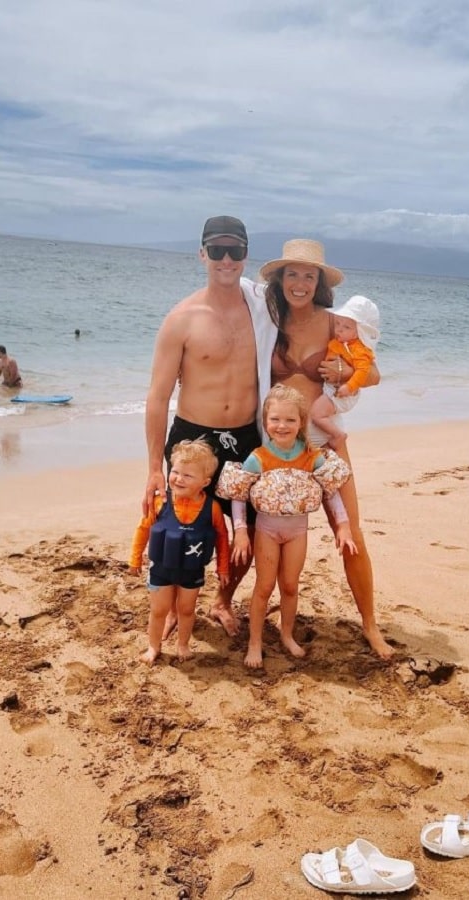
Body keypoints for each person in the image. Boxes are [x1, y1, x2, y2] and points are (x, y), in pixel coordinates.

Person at [260, 238, 393, 659]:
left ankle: (370, 625)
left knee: (350, 531)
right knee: (261, 532)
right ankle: (226, 603)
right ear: (281, 279)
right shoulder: (267, 319)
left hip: (321, 439)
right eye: (293, 274)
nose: (300, 283)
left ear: (319, 282)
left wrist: (342, 370)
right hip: (276, 439)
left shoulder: (335, 322)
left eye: (309, 275)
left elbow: (373, 372)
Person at [143, 215, 274, 639]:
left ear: (245, 255)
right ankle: (173, 613)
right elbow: (158, 397)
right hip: (192, 438)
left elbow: (314, 322)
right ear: (202, 254)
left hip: (246, 437)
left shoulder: (263, 313)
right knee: (181, 530)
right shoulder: (182, 318)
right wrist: (151, 469)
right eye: (216, 250)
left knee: (245, 530)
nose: (226, 259)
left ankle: (222, 601)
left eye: (234, 250)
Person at [218, 384, 356, 668]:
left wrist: (343, 526)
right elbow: (239, 495)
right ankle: (254, 643)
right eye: (275, 419)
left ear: (301, 422)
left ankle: (287, 634)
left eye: (290, 420)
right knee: (264, 586)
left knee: (291, 586)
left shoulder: (311, 456)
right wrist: (241, 532)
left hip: (297, 533)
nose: (282, 426)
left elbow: (331, 492)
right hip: (267, 532)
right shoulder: (258, 458)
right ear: (266, 422)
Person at [129, 439, 230, 663]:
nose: (178, 478)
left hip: (191, 571)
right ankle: (153, 647)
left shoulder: (211, 508)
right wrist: (135, 559)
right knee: (158, 610)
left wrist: (223, 568)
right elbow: (143, 529)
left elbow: (222, 538)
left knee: (186, 610)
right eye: (175, 472)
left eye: (188, 475)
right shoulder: (159, 502)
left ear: (205, 482)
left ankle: (183, 645)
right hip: (161, 569)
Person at [309, 295, 380, 450]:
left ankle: (338, 435)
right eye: (338, 324)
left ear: (359, 332)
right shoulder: (341, 342)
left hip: (342, 392)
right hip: (332, 389)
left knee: (316, 414)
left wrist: (348, 385)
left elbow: (365, 372)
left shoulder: (359, 350)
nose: (339, 329)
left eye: (346, 327)